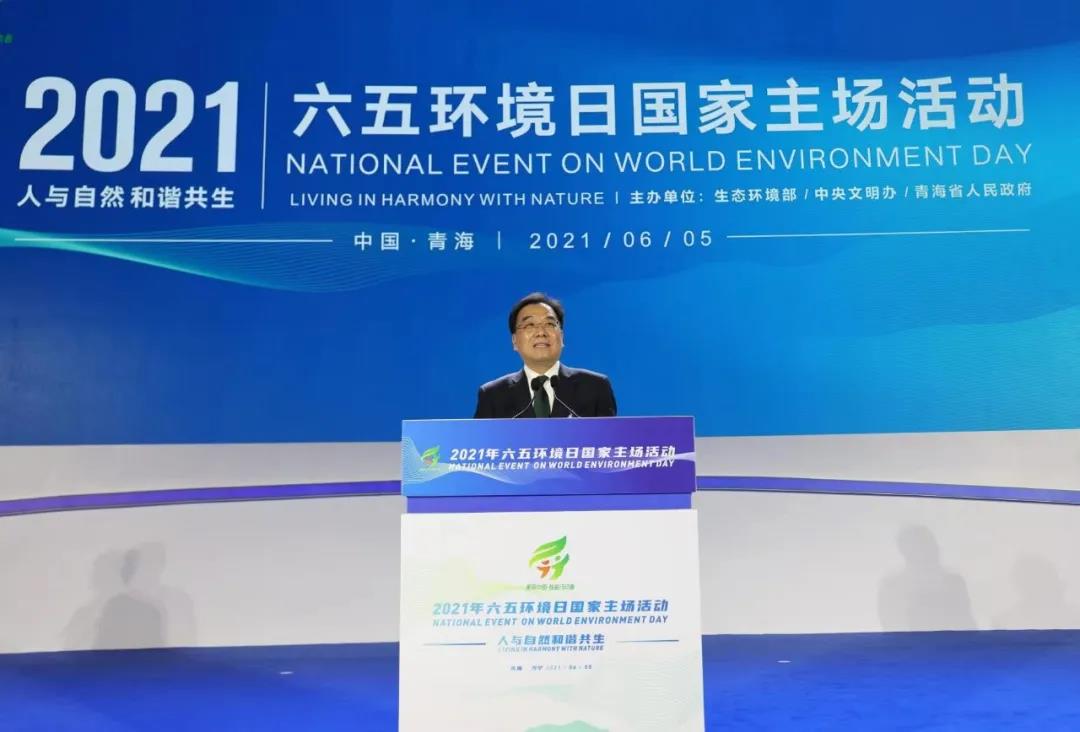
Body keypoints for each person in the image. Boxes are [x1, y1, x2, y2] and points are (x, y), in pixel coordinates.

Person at [474, 293, 617, 418]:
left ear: (562, 337)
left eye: (549, 324)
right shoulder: (493, 395)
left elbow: (612, 439)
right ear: (515, 341)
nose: (541, 332)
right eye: (530, 325)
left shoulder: (595, 387)